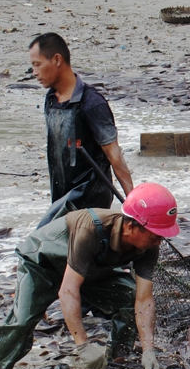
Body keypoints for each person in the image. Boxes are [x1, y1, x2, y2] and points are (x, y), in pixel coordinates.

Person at [0, 183, 180, 369]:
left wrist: (148, 348)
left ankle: (116, 362)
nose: (159, 242)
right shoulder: (91, 228)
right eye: (155, 235)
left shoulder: (149, 246)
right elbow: (68, 291)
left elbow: (144, 298)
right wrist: (83, 345)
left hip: (90, 270)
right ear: (131, 226)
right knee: (22, 322)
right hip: (44, 263)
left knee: (128, 298)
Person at [28, 32, 135, 227]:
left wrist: (134, 203)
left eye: (37, 65)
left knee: (39, 245)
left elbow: (114, 155)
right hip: (62, 199)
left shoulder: (92, 103)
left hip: (89, 202)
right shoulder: (51, 99)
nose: (33, 72)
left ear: (57, 60)